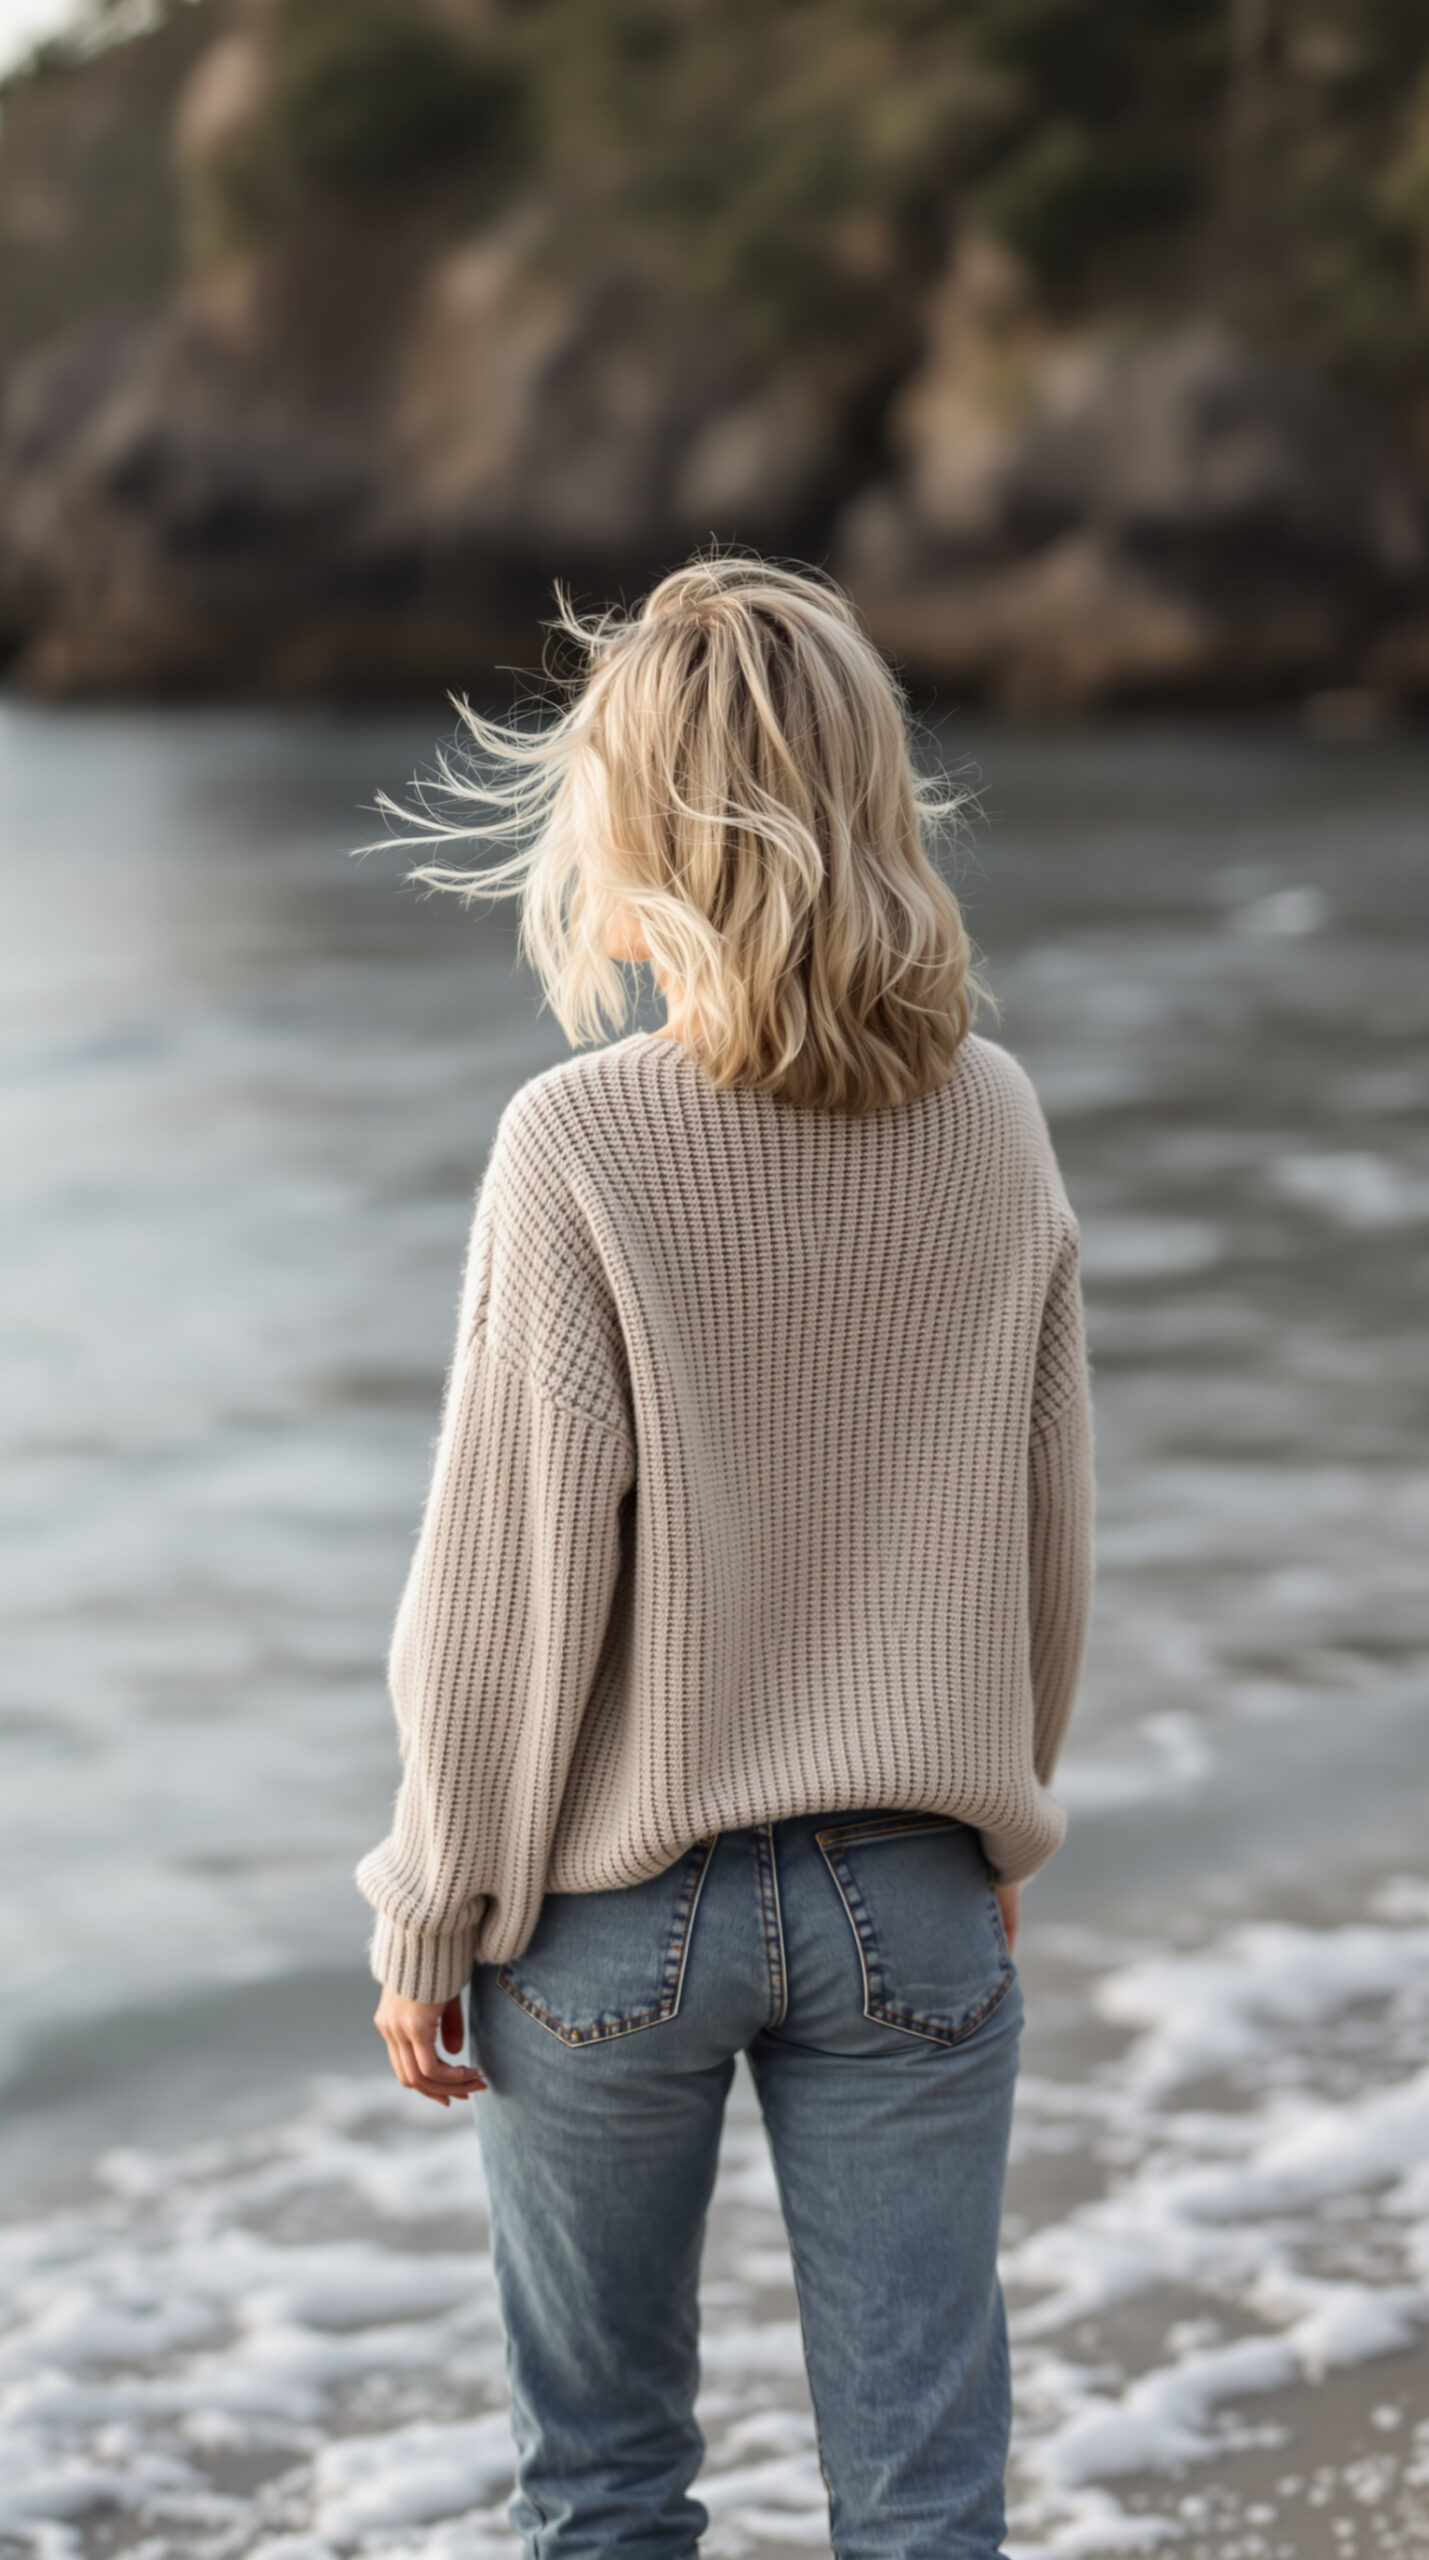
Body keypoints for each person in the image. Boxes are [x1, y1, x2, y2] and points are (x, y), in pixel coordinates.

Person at [356, 553, 1096, 2560]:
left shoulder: (575, 1141)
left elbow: (503, 1592)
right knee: (926, 2496)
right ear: (870, 793)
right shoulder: (999, 1122)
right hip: (913, 1891)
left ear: (634, 827)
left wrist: (432, 1900)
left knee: (603, 2486)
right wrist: (994, 1831)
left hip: (615, 1917)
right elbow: (1048, 1533)